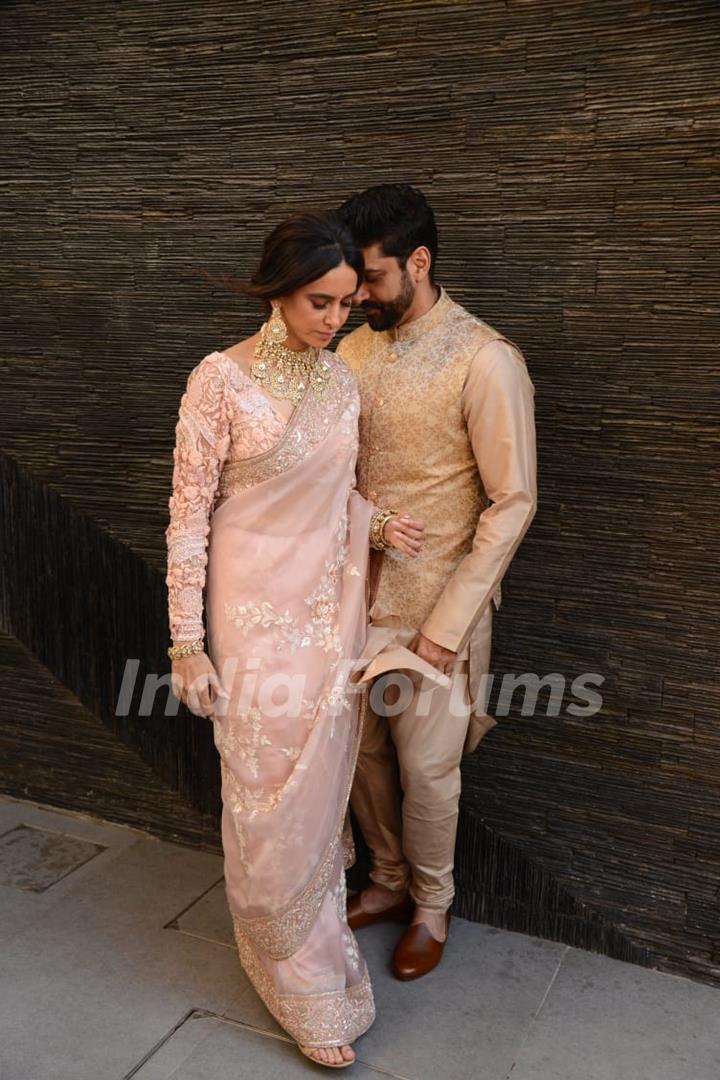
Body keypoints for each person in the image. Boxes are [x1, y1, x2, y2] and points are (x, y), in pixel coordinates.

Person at [165, 210, 425, 1068]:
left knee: (314, 803)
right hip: (248, 624)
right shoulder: (219, 381)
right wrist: (185, 642)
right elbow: (188, 522)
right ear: (278, 288)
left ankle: (316, 971)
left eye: (347, 304)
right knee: (263, 791)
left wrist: (378, 524)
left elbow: (337, 500)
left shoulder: (340, 382)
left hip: (323, 619)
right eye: (320, 301)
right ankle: (283, 962)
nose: (334, 320)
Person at [336, 184, 538, 980]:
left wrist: (448, 624)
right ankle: (384, 881)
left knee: (427, 770)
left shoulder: (486, 359)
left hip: (436, 613)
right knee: (361, 756)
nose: (358, 297)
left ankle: (430, 905)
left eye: (374, 278)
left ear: (419, 262)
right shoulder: (350, 351)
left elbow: (514, 501)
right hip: (354, 600)